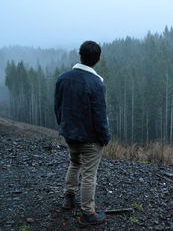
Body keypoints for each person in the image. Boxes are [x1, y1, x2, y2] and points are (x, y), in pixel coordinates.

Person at [54, 40, 110, 226]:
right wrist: (104, 137)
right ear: (98, 59)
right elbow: (100, 115)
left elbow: (58, 107)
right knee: (89, 174)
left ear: (80, 55)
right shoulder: (97, 83)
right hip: (90, 138)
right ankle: (88, 213)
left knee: (74, 163)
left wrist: (64, 126)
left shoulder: (63, 78)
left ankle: (68, 197)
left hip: (70, 134)